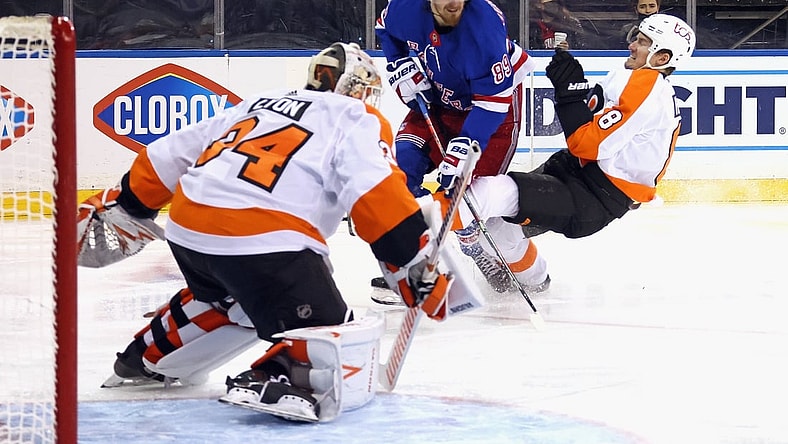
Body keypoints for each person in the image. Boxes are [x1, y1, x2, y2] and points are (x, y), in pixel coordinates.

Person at [78, 42, 458, 423]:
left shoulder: (259, 103)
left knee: (236, 300)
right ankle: (280, 375)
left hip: (189, 231)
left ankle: (144, 358)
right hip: (267, 241)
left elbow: (168, 155)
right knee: (334, 344)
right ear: (357, 88)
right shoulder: (356, 116)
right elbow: (377, 195)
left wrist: (132, 202)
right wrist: (411, 261)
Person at [438, 14, 696, 283]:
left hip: (593, 195)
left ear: (662, 58)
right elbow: (589, 127)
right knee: (497, 232)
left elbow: (587, 144)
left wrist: (568, 96)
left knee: (489, 193)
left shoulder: (649, 87)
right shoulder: (630, 76)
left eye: (643, 42)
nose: (632, 45)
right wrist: (571, 87)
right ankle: (536, 281)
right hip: (576, 173)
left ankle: (411, 246)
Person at [374, 0, 548, 294]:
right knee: (400, 174)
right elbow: (384, 28)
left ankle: (493, 257)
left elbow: (492, 104)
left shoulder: (484, 29)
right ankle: (412, 265)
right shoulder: (405, 8)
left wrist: (467, 146)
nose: (454, 2)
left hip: (492, 114)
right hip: (437, 102)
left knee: (465, 200)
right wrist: (399, 62)